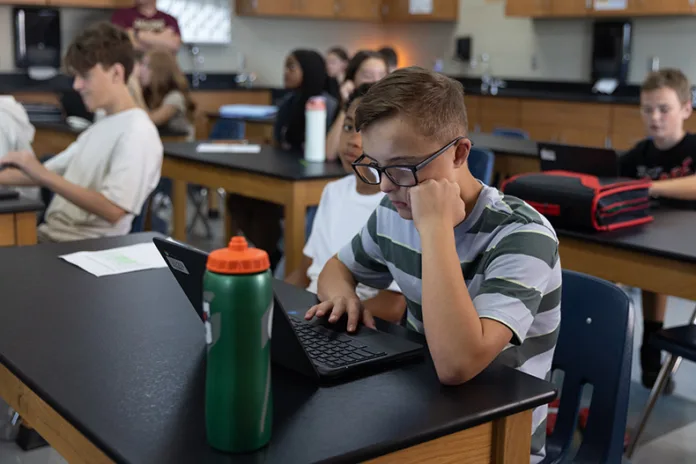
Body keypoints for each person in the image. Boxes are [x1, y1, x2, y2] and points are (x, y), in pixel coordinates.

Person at [305, 68, 561, 463]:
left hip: (497, 435)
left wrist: (436, 229)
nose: (387, 186)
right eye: (376, 166)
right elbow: (337, 269)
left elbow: (456, 364)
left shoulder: (524, 236)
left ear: (459, 153)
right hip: (416, 408)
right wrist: (342, 297)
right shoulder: (396, 209)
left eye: (403, 166)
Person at [0, 22, 162, 242]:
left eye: (85, 76)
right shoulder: (102, 125)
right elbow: (45, 172)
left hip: (84, 250)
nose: (76, 85)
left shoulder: (138, 131)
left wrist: (41, 173)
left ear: (116, 72)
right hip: (51, 239)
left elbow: (113, 209)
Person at [285, 83, 406, 323]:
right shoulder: (334, 191)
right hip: (312, 310)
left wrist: (328, 314)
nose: (353, 140)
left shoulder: (398, 205)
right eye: (349, 127)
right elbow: (305, 271)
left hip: (351, 321)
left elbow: (393, 306)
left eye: (365, 131)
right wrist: (267, 298)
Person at [619, 68, 696, 393]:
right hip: (655, 241)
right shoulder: (637, 155)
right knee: (647, 274)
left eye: (664, 109)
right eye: (648, 109)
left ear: (686, 109)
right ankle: (649, 352)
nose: (655, 117)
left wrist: (651, 187)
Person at [227, 50, 338, 270]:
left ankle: (276, 258)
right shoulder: (288, 102)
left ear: (308, 70)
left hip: (311, 176)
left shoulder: (326, 104)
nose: (285, 72)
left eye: (291, 67)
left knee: (265, 207)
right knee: (239, 198)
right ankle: (271, 253)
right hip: (283, 169)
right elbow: (280, 140)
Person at [326, 50, 388, 160]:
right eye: (368, 76)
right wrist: (347, 104)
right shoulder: (346, 108)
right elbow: (329, 154)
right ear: (352, 79)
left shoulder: (392, 112)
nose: (376, 82)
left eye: (382, 76)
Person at [140, 48, 196, 138]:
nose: (141, 70)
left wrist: (135, 90)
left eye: (147, 66)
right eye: (141, 64)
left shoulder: (175, 97)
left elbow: (152, 120)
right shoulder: (149, 93)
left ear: (160, 71)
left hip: (178, 147)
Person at [111, 0, 181, 53]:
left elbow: (174, 45)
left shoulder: (170, 20)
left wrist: (138, 35)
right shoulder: (121, 16)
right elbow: (124, 44)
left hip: (162, 69)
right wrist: (161, 40)